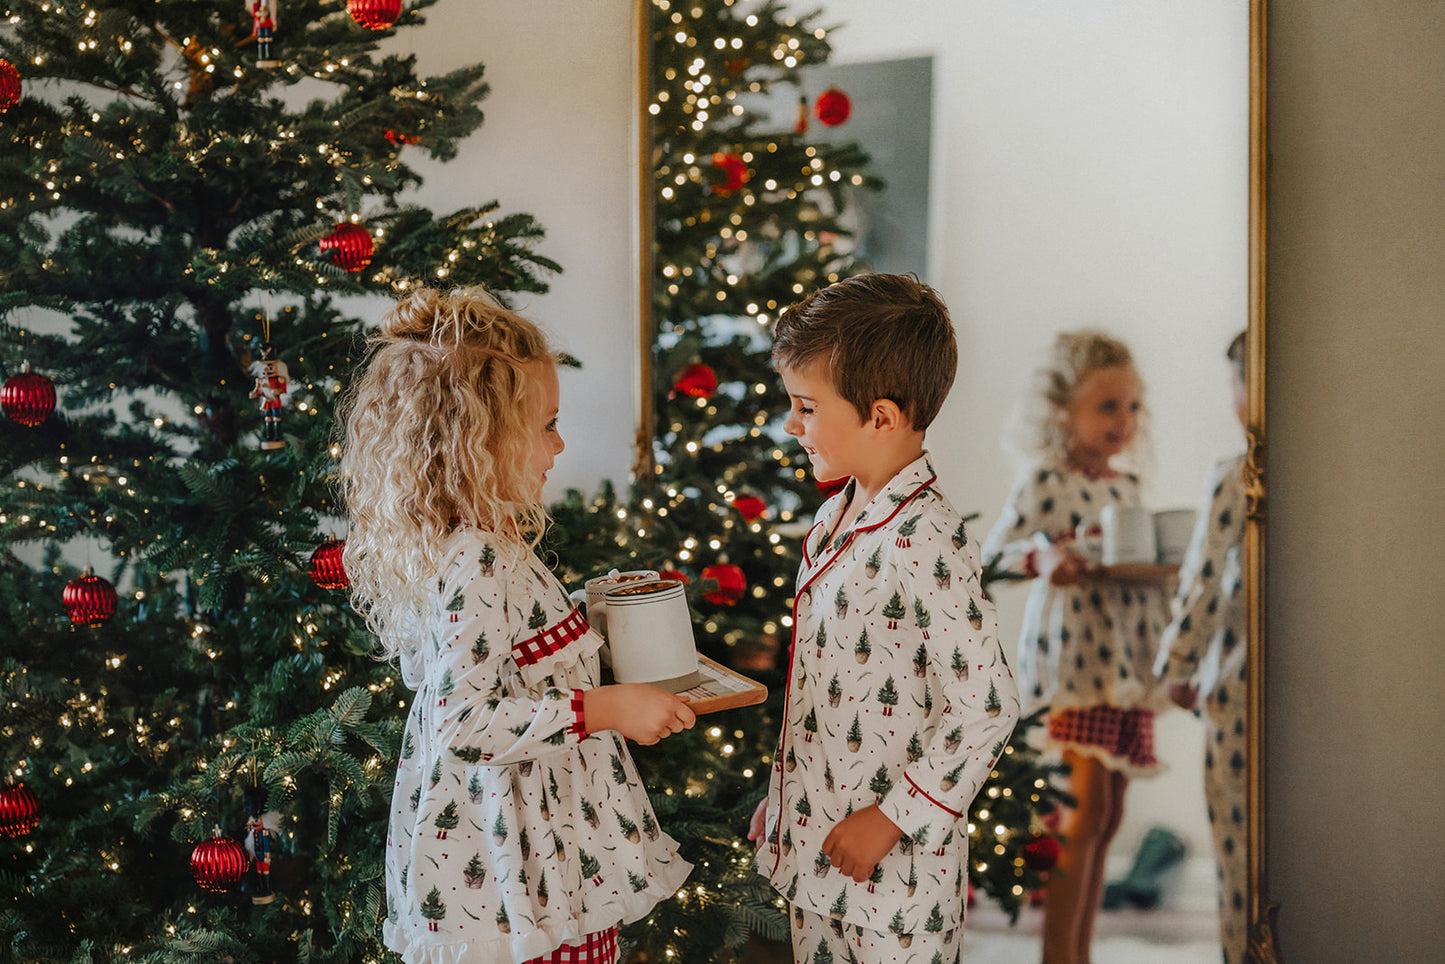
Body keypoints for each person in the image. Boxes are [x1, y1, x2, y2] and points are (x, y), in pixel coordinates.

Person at [338, 287, 695, 964]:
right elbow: (462, 721)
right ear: (480, 439)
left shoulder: (487, 542)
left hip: (539, 842)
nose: (560, 444)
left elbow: (505, 659)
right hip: (508, 864)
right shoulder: (474, 556)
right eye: (547, 424)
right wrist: (604, 707)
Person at [746, 273, 1021, 963]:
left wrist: (892, 818)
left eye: (806, 407)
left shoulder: (925, 537)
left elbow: (986, 707)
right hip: (817, 864)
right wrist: (787, 801)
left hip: (896, 889)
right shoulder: (832, 520)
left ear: (881, 417)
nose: (790, 424)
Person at [981, 331, 1170, 964]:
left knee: (1108, 817)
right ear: (1064, 410)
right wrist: (1042, 556)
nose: (1125, 421)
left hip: (1126, 667)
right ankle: (1061, 955)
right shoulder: (1047, 482)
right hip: (1072, 667)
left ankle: (1079, 949)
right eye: (1108, 406)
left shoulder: (1126, 488)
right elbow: (992, 558)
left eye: (1133, 406)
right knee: (1079, 818)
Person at [1154, 331, 1249, 964]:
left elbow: (1205, 583)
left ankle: (1243, 951)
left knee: (1238, 847)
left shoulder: (1236, 477)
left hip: (1239, 686)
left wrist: (1175, 666)